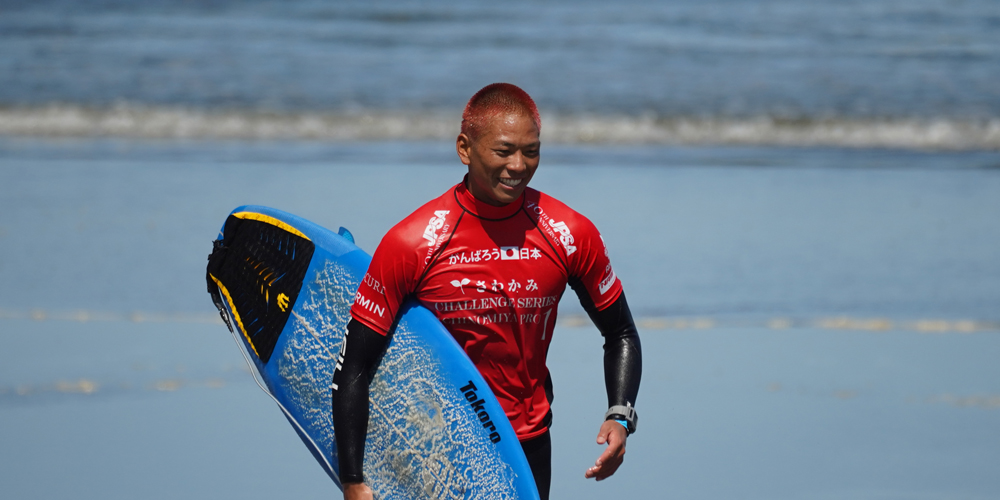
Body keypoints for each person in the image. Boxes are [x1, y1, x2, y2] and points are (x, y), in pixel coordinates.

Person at [332, 83, 642, 500]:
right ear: (465, 148)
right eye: (504, 151)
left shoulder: (568, 234)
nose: (519, 165)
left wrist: (620, 415)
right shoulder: (414, 242)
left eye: (531, 151)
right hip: (434, 445)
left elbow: (620, 331)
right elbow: (353, 366)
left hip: (525, 446)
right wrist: (352, 480)